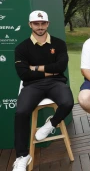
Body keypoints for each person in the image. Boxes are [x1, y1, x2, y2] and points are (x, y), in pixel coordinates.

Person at [13, 10, 74, 171]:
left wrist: (36, 68)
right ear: (30, 24)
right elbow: (24, 73)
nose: (40, 27)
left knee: (68, 102)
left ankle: (52, 123)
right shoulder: (21, 48)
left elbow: (61, 67)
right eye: (36, 23)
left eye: (43, 23)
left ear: (47, 24)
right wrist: (49, 71)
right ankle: (22, 156)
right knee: (21, 113)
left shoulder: (59, 43)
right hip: (32, 85)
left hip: (56, 82)